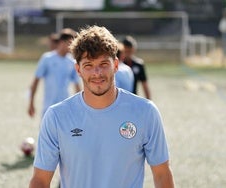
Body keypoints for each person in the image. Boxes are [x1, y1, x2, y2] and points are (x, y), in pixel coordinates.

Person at [29, 25, 175, 188]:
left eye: (104, 63)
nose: (97, 72)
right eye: (88, 65)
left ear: (116, 65)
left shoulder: (146, 112)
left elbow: (162, 174)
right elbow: (40, 180)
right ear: (78, 69)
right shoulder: (56, 116)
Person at [28, 28, 81, 118]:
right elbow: (36, 81)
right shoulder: (47, 58)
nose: (72, 46)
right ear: (62, 42)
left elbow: (77, 85)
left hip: (65, 106)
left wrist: (80, 106)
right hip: (48, 107)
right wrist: (31, 103)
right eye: (70, 43)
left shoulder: (72, 62)